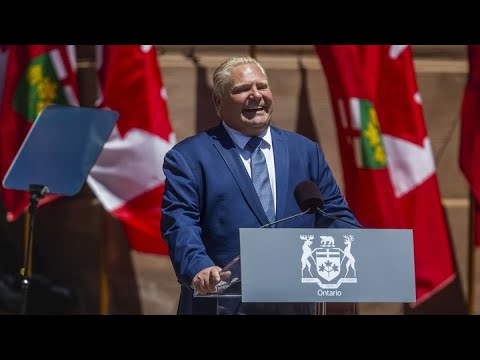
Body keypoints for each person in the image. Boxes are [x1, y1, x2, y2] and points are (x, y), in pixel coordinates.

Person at [161, 56, 360, 315]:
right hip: (222, 304)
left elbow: (334, 216)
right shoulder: (189, 157)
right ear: (218, 102)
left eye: (262, 86)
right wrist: (198, 266)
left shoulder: (305, 151)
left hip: (295, 305)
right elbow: (180, 223)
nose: (256, 95)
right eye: (242, 89)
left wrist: (362, 252)